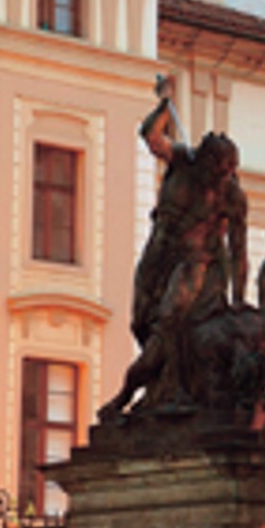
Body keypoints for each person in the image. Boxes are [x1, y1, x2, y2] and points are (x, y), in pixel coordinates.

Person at [100, 77, 250, 418]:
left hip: (196, 262)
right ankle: (160, 385)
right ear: (205, 162)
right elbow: (151, 136)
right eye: (218, 169)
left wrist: (238, 297)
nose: (223, 176)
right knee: (141, 320)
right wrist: (165, 104)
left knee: (168, 320)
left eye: (229, 171)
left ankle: (165, 391)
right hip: (160, 248)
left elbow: (239, 252)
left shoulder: (232, 196)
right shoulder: (183, 161)